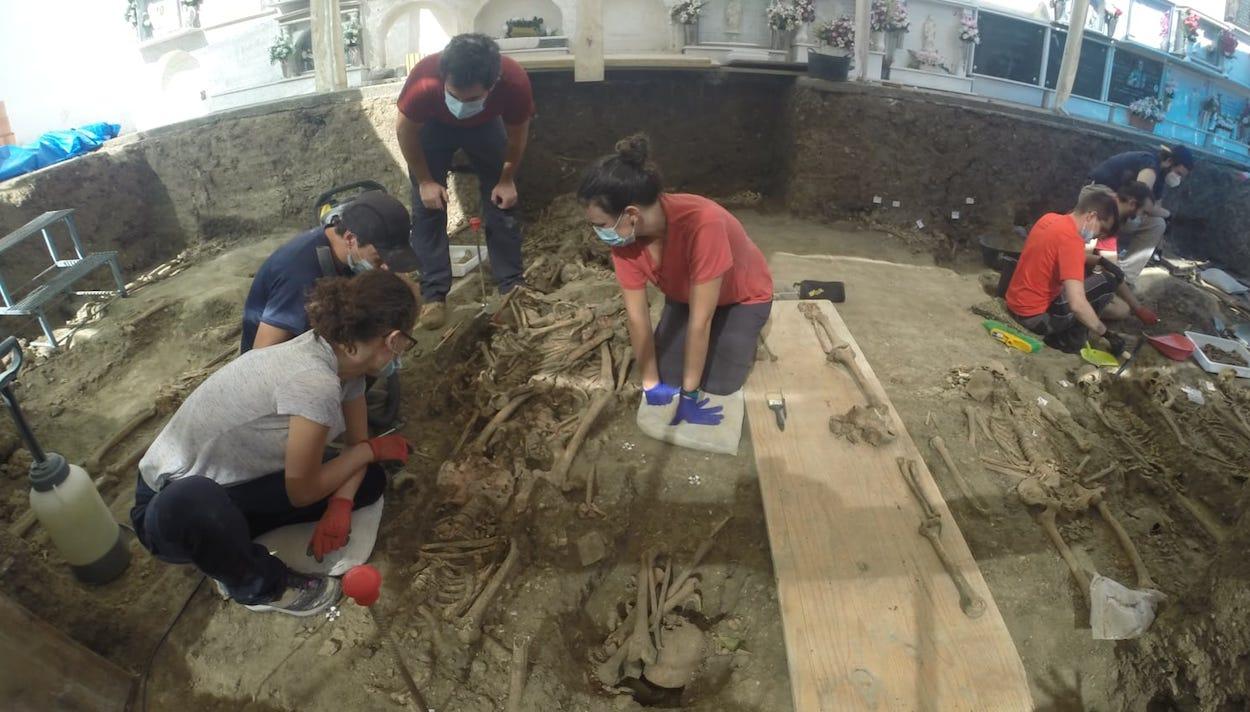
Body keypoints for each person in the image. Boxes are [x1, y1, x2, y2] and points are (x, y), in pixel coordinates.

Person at [130, 272, 417, 616]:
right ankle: (261, 583)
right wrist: (370, 451)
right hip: (169, 510)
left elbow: (358, 444)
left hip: (238, 483)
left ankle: (230, 544)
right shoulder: (315, 381)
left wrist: (340, 504)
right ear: (395, 340)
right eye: (407, 344)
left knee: (368, 481)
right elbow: (308, 488)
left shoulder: (342, 362)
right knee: (195, 500)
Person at [578, 135, 774, 427]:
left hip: (741, 298)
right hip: (685, 297)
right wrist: (649, 381)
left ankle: (744, 332)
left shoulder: (703, 224)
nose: (599, 233)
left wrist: (690, 396)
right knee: (668, 376)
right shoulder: (625, 240)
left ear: (631, 214)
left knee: (719, 384)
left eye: (602, 225)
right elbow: (637, 316)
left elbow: (701, 320)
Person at [396, 33, 535, 330]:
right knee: (427, 206)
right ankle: (434, 295)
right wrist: (424, 181)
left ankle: (511, 286)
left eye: (471, 98)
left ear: (493, 83)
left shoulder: (513, 83)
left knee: (502, 201)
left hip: (485, 126)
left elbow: (517, 136)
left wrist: (507, 179)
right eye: (454, 95)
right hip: (433, 127)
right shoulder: (425, 80)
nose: (460, 103)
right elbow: (406, 133)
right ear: (444, 76)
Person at [241, 190, 417, 353]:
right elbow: (261, 354)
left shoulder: (354, 252)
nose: (387, 269)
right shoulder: (299, 274)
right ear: (350, 239)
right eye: (379, 260)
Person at [1006, 190, 1151, 355]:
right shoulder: (1072, 240)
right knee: (1106, 282)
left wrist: (1099, 260)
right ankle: (1069, 341)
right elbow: (1077, 304)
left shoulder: (1050, 219)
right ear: (1091, 216)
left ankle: (1071, 336)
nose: (1096, 237)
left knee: (1092, 282)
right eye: (1100, 230)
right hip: (1037, 320)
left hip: (1016, 304)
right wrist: (1106, 333)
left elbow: (1057, 252)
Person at [1085, 144, 1195, 283]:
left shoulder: (1160, 177)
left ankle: (1125, 278)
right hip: (1098, 194)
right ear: (1169, 162)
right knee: (1132, 216)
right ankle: (1090, 266)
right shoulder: (1150, 163)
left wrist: (1165, 222)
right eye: (1178, 173)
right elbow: (1139, 197)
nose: (1178, 179)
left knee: (1157, 224)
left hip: (1120, 205)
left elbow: (1154, 210)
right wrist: (1167, 214)